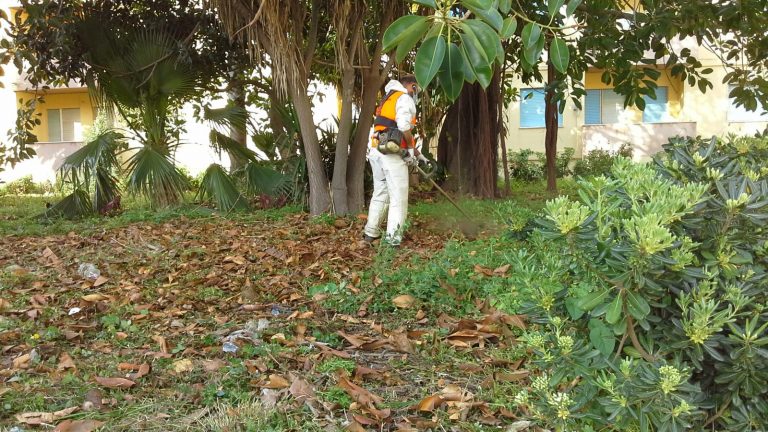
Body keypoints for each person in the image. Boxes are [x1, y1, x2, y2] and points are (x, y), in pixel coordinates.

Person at [363, 75, 428, 247]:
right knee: (398, 198)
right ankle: (393, 240)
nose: (417, 94)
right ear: (412, 86)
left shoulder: (388, 98)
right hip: (391, 156)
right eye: (417, 90)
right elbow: (403, 127)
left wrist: (415, 152)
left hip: (377, 152)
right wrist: (407, 150)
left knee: (380, 194)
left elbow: (390, 128)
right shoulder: (404, 98)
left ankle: (371, 232)